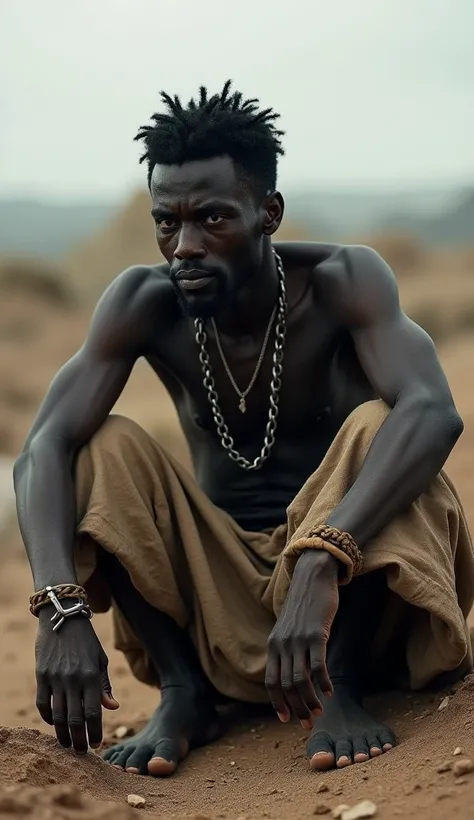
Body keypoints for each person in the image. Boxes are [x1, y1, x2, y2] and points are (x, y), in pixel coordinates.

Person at [14, 81, 474, 779]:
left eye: (213, 219)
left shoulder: (343, 280)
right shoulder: (145, 301)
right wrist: (59, 606)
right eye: (167, 222)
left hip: (346, 594)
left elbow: (435, 411)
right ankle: (183, 691)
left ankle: (339, 686)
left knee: (384, 424)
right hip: (218, 602)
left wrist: (322, 556)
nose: (185, 246)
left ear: (269, 213)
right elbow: (42, 447)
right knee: (101, 445)